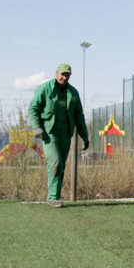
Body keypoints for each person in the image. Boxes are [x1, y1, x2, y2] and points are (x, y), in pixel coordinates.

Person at [28, 63, 89, 207]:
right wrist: (36, 127)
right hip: (50, 132)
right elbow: (33, 108)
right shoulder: (45, 89)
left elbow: (79, 116)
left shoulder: (73, 93)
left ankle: (56, 196)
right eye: (62, 74)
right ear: (56, 73)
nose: (64, 77)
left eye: (67, 74)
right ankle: (53, 197)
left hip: (66, 133)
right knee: (55, 162)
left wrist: (84, 136)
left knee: (61, 166)